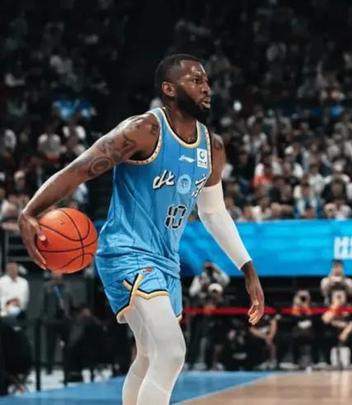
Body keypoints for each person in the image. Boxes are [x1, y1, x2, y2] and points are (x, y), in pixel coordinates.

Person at [18, 54, 265, 405]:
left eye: (206, 80)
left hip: (166, 260)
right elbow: (83, 167)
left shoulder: (213, 147)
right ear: (169, 89)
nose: (206, 87)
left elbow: (213, 213)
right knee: (172, 352)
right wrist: (31, 210)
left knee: (150, 355)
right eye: (196, 80)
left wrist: (248, 268)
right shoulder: (144, 130)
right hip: (126, 251)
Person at [41, 272, 74, 375]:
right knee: (50, 345)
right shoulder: (46, 287)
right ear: (51, 275)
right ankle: (49, 368)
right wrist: (45, 317)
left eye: (58, 273)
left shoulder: (67, 286)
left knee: (67, 345)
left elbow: (71, 301)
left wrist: (70, 315)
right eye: (55, 273)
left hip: (64, 319)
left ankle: (67, 368)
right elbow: (43, 303)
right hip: (52, 319)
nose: (57, 276)